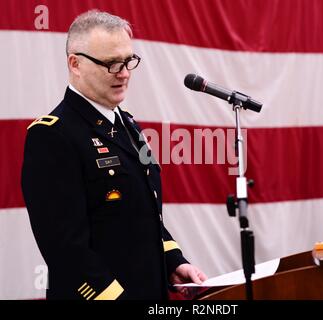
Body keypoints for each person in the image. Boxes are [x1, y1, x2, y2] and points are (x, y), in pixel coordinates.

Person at [21, 10, 207, 300]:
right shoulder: (52, 135)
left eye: (128, 61)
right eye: (110, 64)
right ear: (75, 64)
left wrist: (174, 261)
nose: (123, 73)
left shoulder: (128, 125)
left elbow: (143, 212)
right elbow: (64, 248)